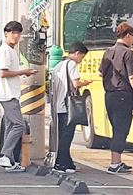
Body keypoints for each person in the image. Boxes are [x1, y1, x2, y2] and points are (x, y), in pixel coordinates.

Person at [99, 22, 133, 174]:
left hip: (109, 95)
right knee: (121, 130)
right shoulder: (128, 53)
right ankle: (114, 164)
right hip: (122, 96)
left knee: (116, 129)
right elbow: (132, 77)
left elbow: (101, 73)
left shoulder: (108, 51)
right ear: (128, 35)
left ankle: (117, 161)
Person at [0, 21, 37, 172]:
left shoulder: (11, 50)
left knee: (11, 126)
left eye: (18, 33)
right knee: (19, 125)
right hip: (8, 95)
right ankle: (5, 155)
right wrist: (23, 72)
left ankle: (9, 161)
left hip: (10, 94)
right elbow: (3, 73)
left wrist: (22, 73)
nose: (16, 36)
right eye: (13, 32)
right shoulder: (5, 50)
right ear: (6, 33)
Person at [51, 41, 92, 173]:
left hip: (58, 104)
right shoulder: (72, 64)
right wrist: (84, 82)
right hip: (68, 106)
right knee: (67, 136)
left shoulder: (59, 65)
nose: (81, 61)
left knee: (62, 135)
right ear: (77, 53)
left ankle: (68, 163)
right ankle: (60, 164)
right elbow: (75, 83)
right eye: (82, 57)